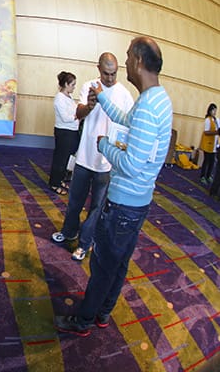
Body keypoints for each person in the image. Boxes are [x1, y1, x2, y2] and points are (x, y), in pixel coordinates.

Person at [55, 36, 173, 336]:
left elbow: (132, 165)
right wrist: (102, 97)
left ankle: (83, 321)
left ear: (138, 61)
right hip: (139, 202)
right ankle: (103, 313)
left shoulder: (147, 106)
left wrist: (105, 146)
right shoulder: (157, 99)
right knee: (118, 264)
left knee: (104, 266)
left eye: (128, 56)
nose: (125, 62)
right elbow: (125, 119)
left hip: (124, 203)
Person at [51, 54, 134, 261]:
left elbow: (127, 127)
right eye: (105, 73)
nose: (109, 78)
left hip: (106, 163)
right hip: (84, 157)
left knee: (96, 208)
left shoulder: (124, 95)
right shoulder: (89, 85)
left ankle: (85, 243)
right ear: (98, 68)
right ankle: (69, 231)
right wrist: (89, 106)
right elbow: (77, 114)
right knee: (74, 201)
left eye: (113, 73)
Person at [47, 72, 79, 195]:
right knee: (60, 159)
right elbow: (66, 118)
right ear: (66, 84)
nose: (74, 87)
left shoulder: (69, 97)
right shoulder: (59, 98)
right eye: (72, 84)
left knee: (66, 158)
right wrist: (78, 115)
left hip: (71, 131)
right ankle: (54, 184)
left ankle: (60, 180)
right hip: (64, 132)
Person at [199, 103, 218, 185]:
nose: (214, 112)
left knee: (212, 161)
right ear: (210, 111)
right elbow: (206, 132)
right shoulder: (208, 120)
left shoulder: (216, 120)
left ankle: (208, 175)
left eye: (215, 110)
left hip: (214, 144)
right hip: (208, 144)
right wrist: (216, 132)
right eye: (213, 110)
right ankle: (202, 176)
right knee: (206, 161)